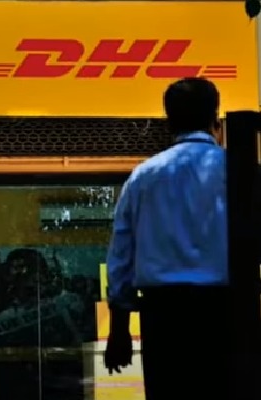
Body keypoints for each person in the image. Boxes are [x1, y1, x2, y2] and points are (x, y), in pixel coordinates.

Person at [104, 77, 229, 400]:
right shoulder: (238, 172)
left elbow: (121, 255)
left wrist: (120, 331)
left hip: (163, 317)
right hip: (225, 314)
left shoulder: (144, 176)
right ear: (215, 119)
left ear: (169, 122)